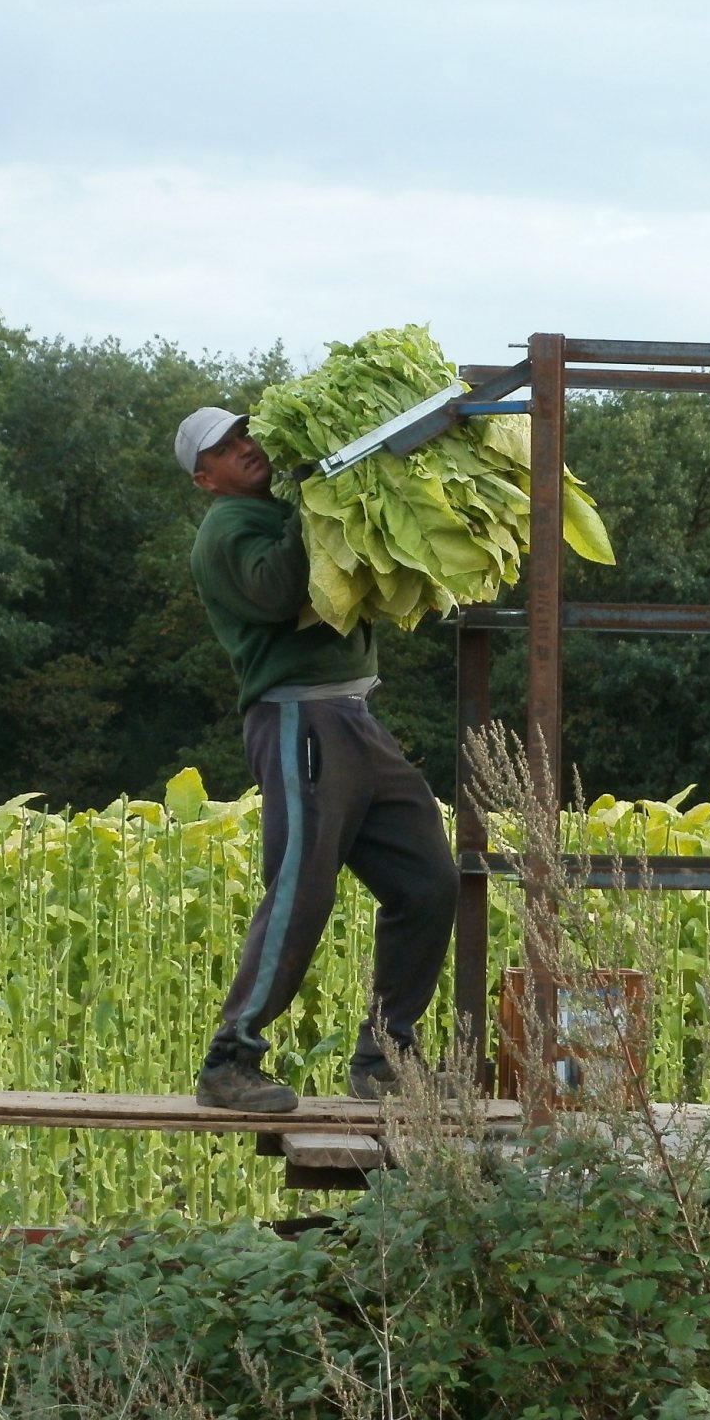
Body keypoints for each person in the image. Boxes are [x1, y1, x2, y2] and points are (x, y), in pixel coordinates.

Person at [174, 405, 459, 1113]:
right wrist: (316, 502)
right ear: (204, 479)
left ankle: (387, 1055)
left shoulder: (277, 509)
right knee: (302, 889)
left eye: (245, 434)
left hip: (355, 715)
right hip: (298, 717)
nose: (244, 447)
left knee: (428, 881)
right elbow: (275, 594)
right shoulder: (228, 528)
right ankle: (230, 1061)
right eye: (223, 448)